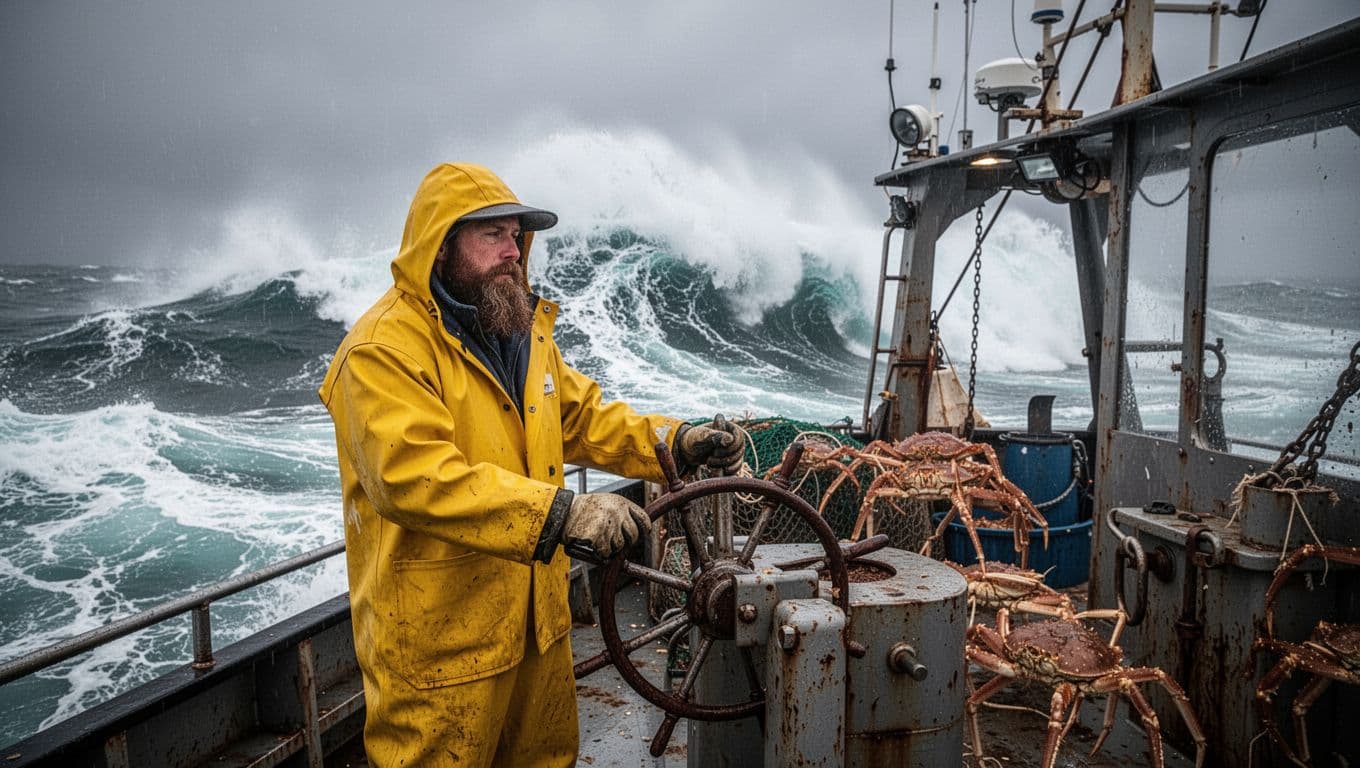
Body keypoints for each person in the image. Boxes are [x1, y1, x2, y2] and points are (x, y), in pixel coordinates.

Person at [318, 162, 743, 767]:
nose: (512, 251)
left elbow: (582, 417)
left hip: (538, 633)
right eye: (491, 236)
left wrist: (675, 440)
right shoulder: (382, 351)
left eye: (517, 235)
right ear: (440, 248)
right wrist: (564, 513)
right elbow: (412, 477)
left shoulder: (521, 336)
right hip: (442, 650)